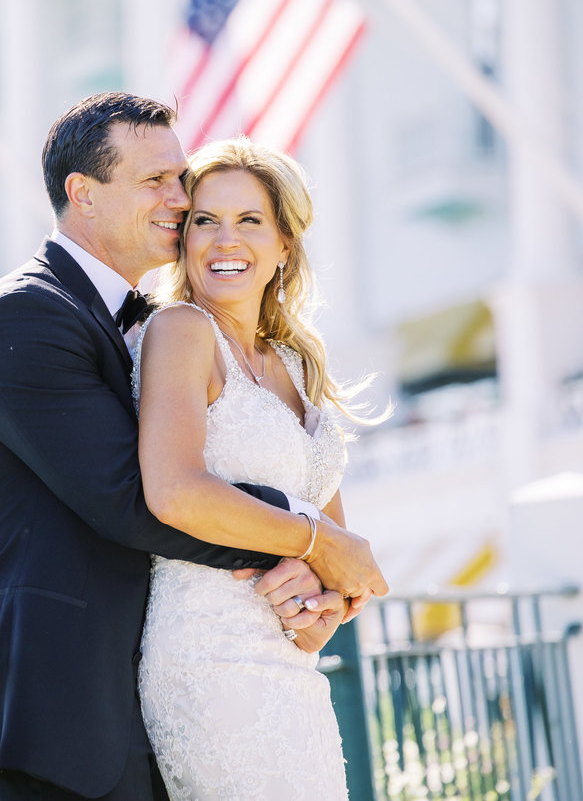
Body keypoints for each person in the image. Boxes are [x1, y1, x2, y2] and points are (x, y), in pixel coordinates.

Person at [0, 92, 386, 800]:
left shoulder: (151, 323)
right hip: (66, 703)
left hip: (179, 687)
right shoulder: (21, 317)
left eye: (180, 178)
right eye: (157, 182)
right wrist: (307, 547)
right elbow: (136, 500)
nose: (179, 201)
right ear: (82, 195)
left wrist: (321, 587)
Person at [134, 137, 385, 799]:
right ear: (182, 240)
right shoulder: (181, 332)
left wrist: (326, 611)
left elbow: (331, 542)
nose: (224, 241)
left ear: (284, 246)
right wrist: (316, 545)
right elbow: (174, 490)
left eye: (249, 221)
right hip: (209, 658)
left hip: (293, 669)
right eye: (204, 221)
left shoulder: (298, 364)